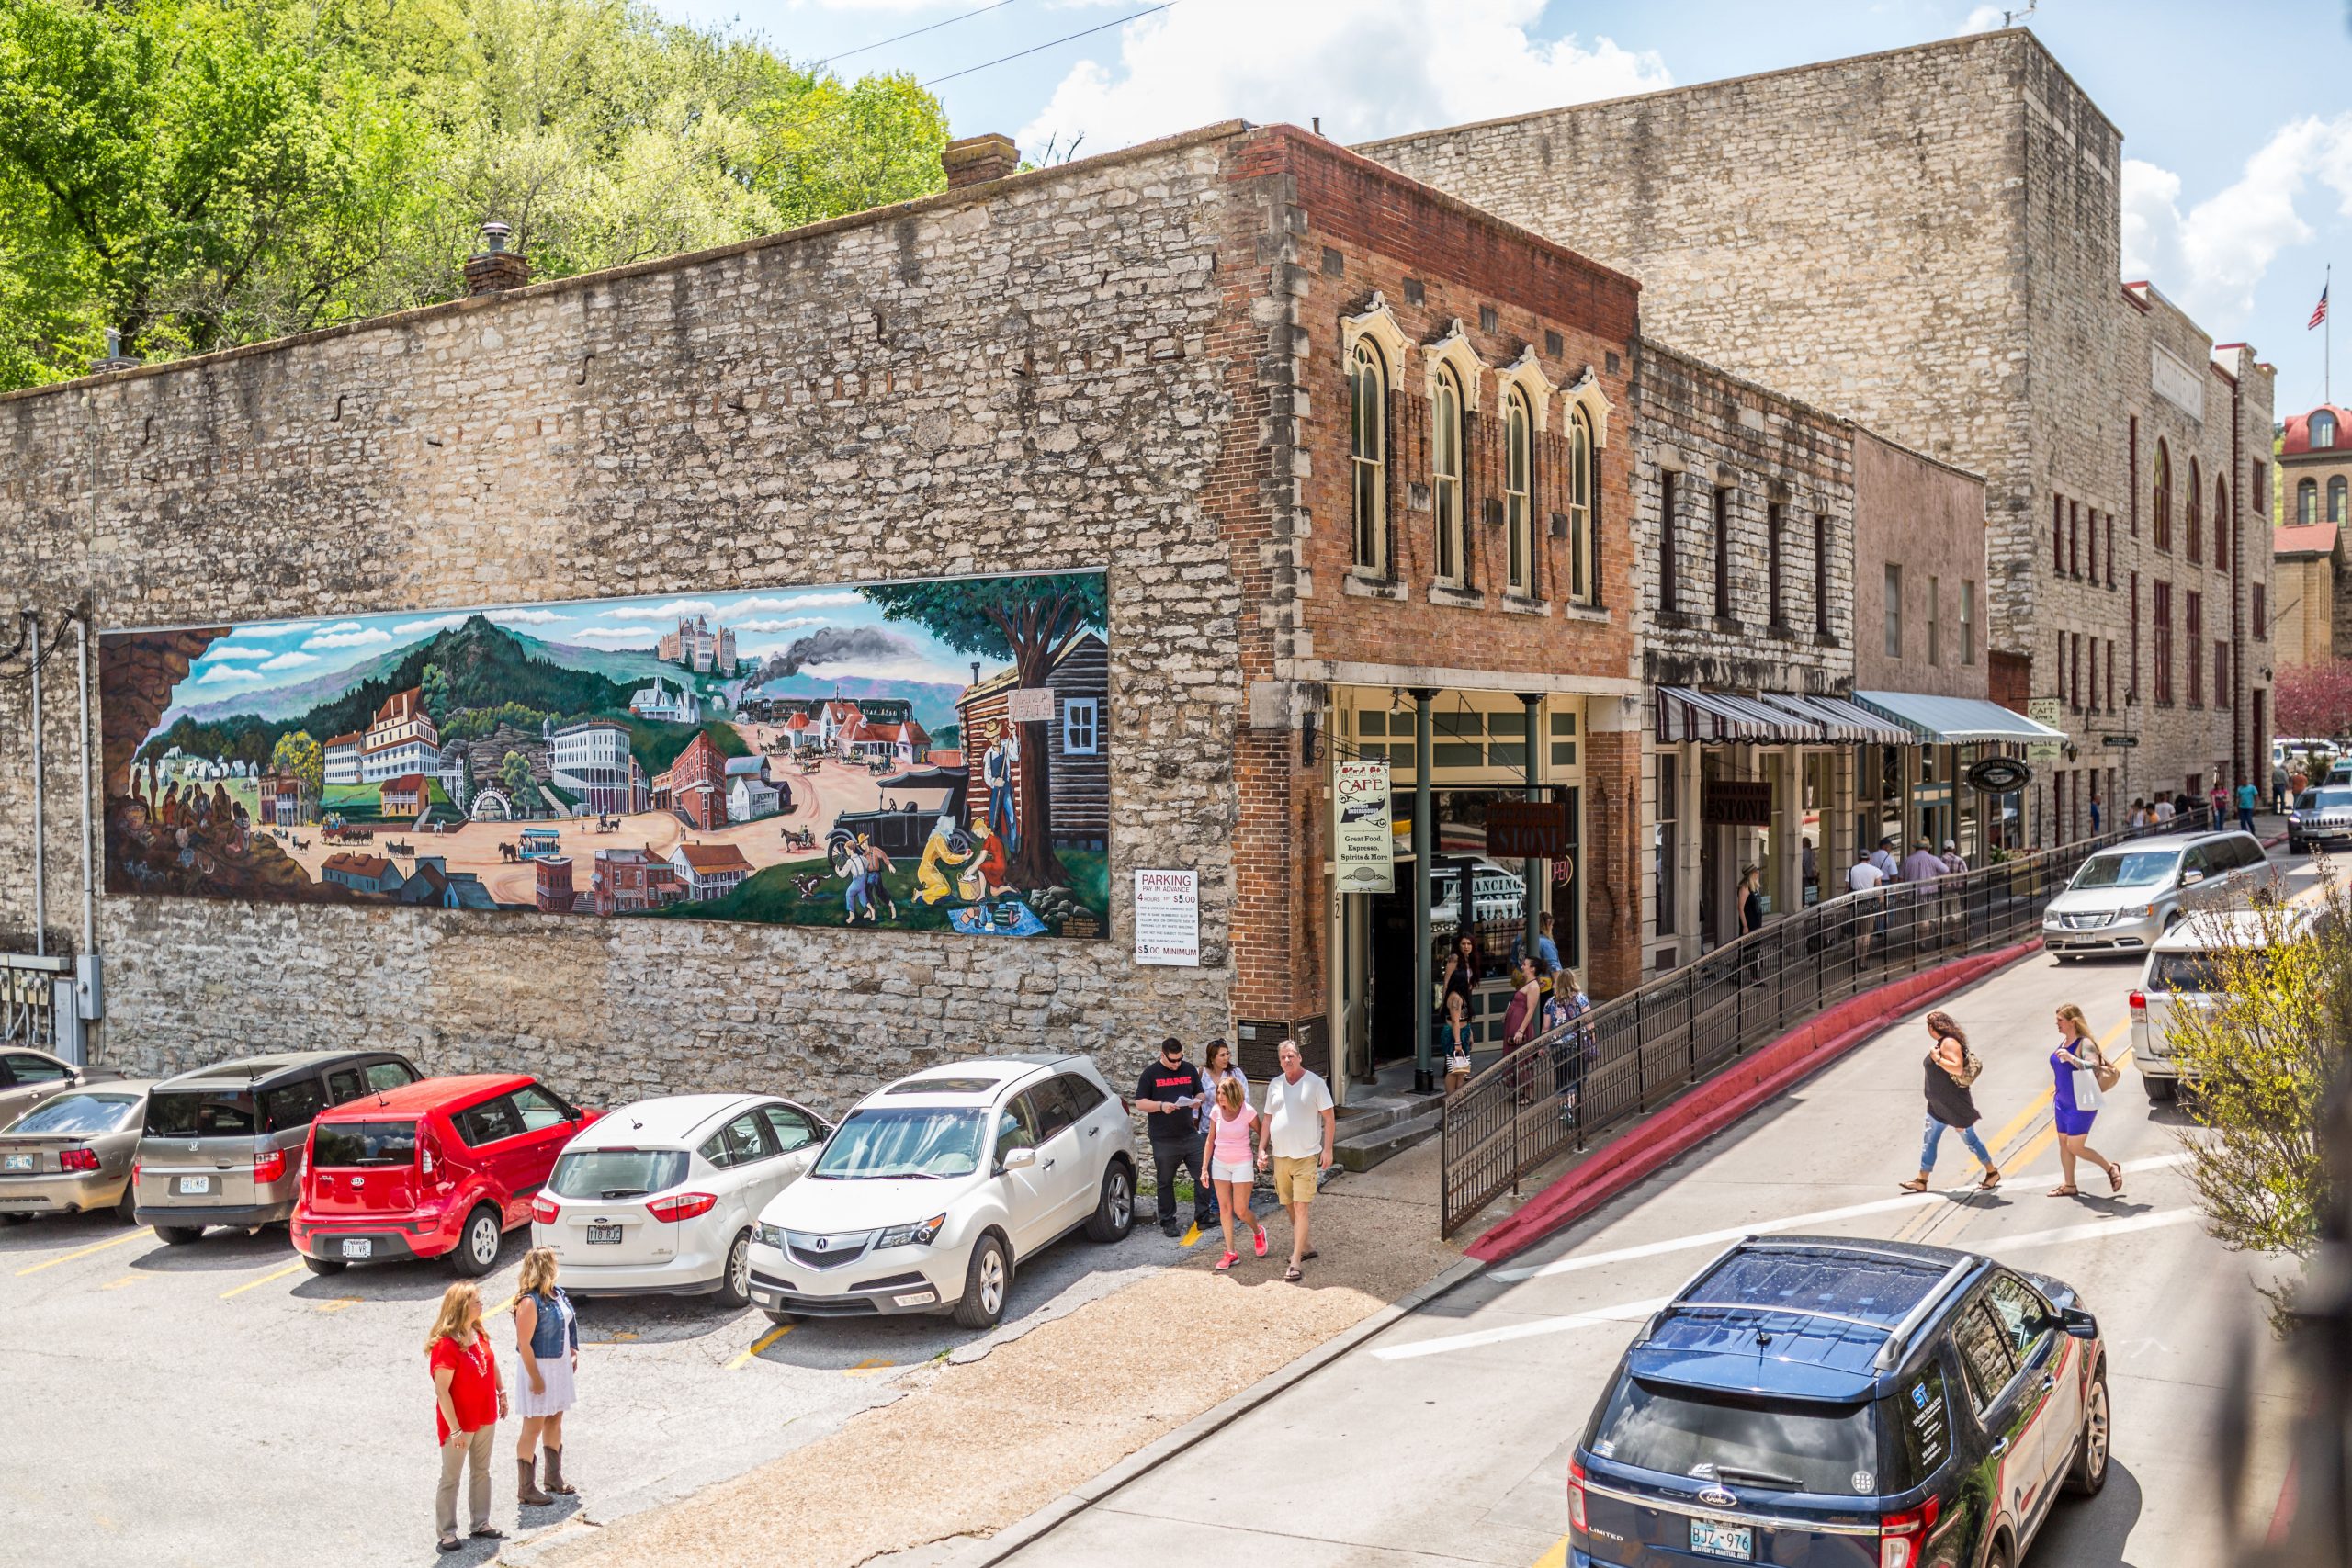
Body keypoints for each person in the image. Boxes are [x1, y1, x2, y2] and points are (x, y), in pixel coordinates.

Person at [427, 1280, 508, 1553]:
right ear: (462, 1306)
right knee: (451, 1477)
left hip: (485, 1415)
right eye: (476, 1301)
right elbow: (442, 1391)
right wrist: (455, 1429)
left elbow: (491, 1361)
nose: (480, 1305)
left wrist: (502, 1392)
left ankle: (480, 1522)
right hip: (460, 1424)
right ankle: (447, 1532)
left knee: (482, 1470)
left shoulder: (477, 1332)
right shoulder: (446, 1346)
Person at [1255, 1039, 1335, 1282]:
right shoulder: (1275, 1085)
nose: (1287, 1060)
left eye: (1291, 1056)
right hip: (1281, 1156)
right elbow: (1267, 1119)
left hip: (1306, 1156)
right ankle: (1307, 1246)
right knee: (1288, 1203)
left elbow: (1329, 1119)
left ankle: (1296, 1260)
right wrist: (1261, 1148)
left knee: (1301, 1207)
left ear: (1299, 1057)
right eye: (1283, 1057)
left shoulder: (1315, 1083)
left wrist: (1328, 1150)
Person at [1896, 1010, 1997, 1193]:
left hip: (1954, 1105)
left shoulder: (1949, 1043)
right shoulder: (1942, 1043)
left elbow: (1957, 1068)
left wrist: (1937, 1058)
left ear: (1932, 1028)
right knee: (1929, 1141)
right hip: (1937, 1107)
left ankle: (1992, 1172)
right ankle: (1921, 1180)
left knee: (1971, 1141)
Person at [512, 1247, 580, 1507]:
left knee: (555, 1420)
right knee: (533, 1427)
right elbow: (524, 1344)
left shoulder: (557, 1294)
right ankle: (526, 1488)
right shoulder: (530, 1302)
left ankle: (553, 1477)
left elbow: (568, 1325)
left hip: (559, 1366)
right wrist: (536, 1378)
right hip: (539, 1367)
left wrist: (573, 1351)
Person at [1135, 1038, 1211, 1237]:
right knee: (1165, 1181)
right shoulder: (1150, 1073)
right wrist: (1161, 1106)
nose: (1176, 1064)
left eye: (1179, 1059)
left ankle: (1203, 1216)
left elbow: (1200, 1092)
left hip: (1188, 1133)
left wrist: (1198, 1102)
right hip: (1163, 1138)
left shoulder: (1188, 1069)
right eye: (1172, 1060)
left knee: (1202, 1173)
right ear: (1163, 1055)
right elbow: (1140, 1103)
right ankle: (1168, 1221)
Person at [2050, 1003, 2124, 1199]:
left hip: (2082, 1102)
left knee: (2075, 1146)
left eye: (2060, 1020)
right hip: (2062, 1102)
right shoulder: (2065, 1042)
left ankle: (2110, 1168)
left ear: (2072, 1022)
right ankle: (2069, 1185)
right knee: (2064, 1143)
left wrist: (2072, 1058)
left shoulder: (2084, 1043)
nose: (2056, 1023)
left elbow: (2095, 1067)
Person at [1200, 1077, 1264, 1271]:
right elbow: (1210, 1140)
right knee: (1224, 1209)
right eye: (1218, 1093)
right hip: (1220, 1163)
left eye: (1223, 1094)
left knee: (1241, 1210)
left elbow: (1263, 1133)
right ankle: (1230, 1252)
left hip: (1242, 1162)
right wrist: (1204, 1168)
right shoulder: (1216, 1111)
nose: (1219, 1097)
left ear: (1233, 1094)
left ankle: (1258, 1231)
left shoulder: (1248, 1111)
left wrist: (1262, 1154)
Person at [1194, 1039, 1248, 1227]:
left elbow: (1245, 1098)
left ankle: (1241, 1205)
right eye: (1222, 1055)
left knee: (1237, 1165)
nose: (1226, 1058)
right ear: (1212, 1057)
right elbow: (1196, 1102)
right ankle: (1217, 1207)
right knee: (1215, 1169)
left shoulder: (1235, 1073)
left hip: (1231, 1128)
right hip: (1208, 1128)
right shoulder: (1201, 1074)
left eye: (1228, 1054)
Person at [1847, 849, 1886, 958]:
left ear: (1858, 858)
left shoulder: (1851, 870)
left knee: (1858, 933)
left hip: (1855, 904)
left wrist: (1845, 906)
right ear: (1869, 858)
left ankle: (1856, 957)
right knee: (1866, 933)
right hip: (1869, 904)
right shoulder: (1875, 871)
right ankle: (1862, 960)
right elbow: (1879, 890)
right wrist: (1882, 907)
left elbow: (1846, 890)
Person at [1736, 864, 1766, 985]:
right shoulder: (1744, 888)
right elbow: (1740, 908)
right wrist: (1745, 926)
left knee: (1754, 951)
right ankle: (1744, 976)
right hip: (1749, 925)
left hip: (1756, 923)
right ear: (1751, 874)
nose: (1758, 873)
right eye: (1756, 872)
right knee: (1749, 952)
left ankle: (1753, 978)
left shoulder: (1753, 887)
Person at [1441, 933, 1479, 1021]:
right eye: (1463, 944)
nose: (1466, 947)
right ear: (1459, 945)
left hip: (1466, 997)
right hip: (1455, 997)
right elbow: (1446, 982)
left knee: (1465, 1029)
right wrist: (1444, 1003)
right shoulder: (1454, 958)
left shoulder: (1470, 960)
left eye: (1469, 944)